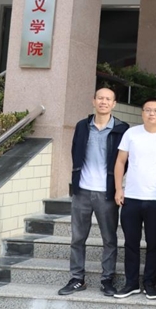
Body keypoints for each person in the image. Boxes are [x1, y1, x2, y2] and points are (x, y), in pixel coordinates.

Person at [58, 88, 129, 297]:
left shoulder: (122, 129)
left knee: (109, 239)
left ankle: (107, 279)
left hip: (107, 192)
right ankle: (76, 278)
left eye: (108, 99)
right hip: (82, 190)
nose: (103, 102)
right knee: (77, 238)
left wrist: (118, 187)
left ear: (114, 104)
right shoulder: (82, 126)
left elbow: (125, 160)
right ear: (93, 101)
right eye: (100, 98)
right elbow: (75, 152)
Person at [113, 98, 156, 300]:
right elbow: (120, 161)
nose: (152, 113)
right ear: (142, 113)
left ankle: (150, 283)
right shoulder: (131, 133)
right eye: (148, 110)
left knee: (154, 243)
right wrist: (118, 188)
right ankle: (131, 283)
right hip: (131, 197)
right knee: (131, 243)